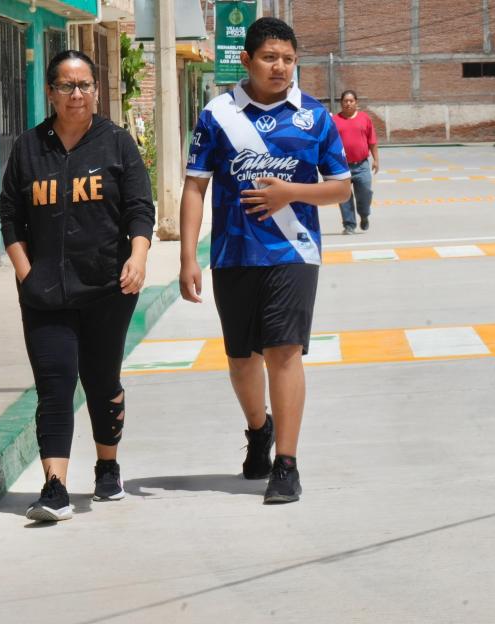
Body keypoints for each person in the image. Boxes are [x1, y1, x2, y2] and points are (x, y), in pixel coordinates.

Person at [179, 17, 352, 505]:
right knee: (241, 360)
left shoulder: (313, 116)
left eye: (289, 59)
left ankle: (287, 464)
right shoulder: (217, 115)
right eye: (271, 58)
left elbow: (341, 186)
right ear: (247, 60)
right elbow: (195, 185)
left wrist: (289, 194)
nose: (280, 68)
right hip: (233, 254)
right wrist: (188, 256)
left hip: (294, 252)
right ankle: (260, 429)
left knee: (284, 350)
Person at [0, 50, 154, 522]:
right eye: (67, 86)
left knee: (102, 380)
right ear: (50, 91)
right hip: (45, 294)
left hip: (108, 287)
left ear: (95, 90)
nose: (77, 94)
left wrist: (139, 256)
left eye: (85, 85)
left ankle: (107, 466)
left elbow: (138, 209)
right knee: (55, 384)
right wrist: (26, 273)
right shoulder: (29, 148)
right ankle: (55, 487)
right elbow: (10, 216)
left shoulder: (116, 144)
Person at [331, 90, 379, 235]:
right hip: (341, 166)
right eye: (345, 101)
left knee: (365, 192)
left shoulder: (365, 118)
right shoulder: (335, 121)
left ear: (356, 102)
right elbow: (329, 142)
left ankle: (364, 215)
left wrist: (376, 159)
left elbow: (372, 141)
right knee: (344, 196)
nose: (348, 103)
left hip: (362, 165)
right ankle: (349, 224)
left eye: (351, 101)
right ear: (341, 103)